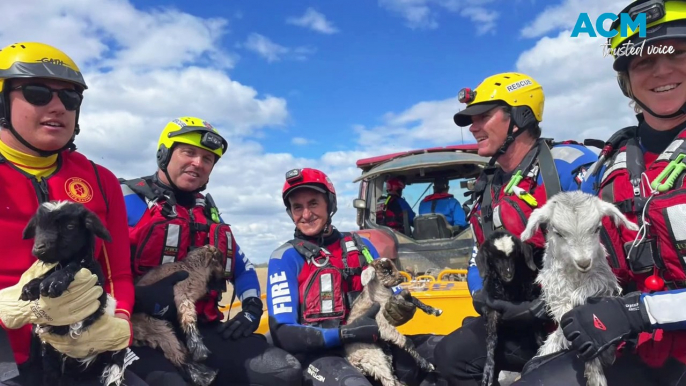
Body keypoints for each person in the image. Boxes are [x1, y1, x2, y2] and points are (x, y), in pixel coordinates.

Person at [514, 1, 686, 384]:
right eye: (641, 62)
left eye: (678, 51)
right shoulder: (608, 167)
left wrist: (637, 313)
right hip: (645, 347)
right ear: (626, 79)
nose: (661, 69)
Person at [432, 72, 598, 385]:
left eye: (484, 116)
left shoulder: (569, 165)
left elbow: (608, 253)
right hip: (518, 319)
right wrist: (481, 294)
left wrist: (543, 308)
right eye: (473, 119)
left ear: (521, 116)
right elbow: (478, 253)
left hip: (576, 319)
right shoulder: (489, 184)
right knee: (451, 355)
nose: (473, 127)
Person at [0, 42, 145, 385]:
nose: (58, 107)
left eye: (70, 98)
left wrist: (117, 322)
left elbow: (117, 274)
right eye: (37, 93)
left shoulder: (100, 179)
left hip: (84, 349)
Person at [120, 117, 301, 386]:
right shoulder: (125, 199)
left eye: (207, 158)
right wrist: (137, 297)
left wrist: (251, 308)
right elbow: (94, 269)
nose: (198, 163)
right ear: (164, 153)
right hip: (138, 332)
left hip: (200, 329)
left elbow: (242, 267)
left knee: (284, 372)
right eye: (189, 152)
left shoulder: (207, 212)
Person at [267, 167, 443, 386]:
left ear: (330, 204)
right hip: (318, 355)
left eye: (313, 203)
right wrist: (346, 334)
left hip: (371, 343)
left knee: (445, 352)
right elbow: (282, 332)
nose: (306, 214)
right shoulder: (284, 258)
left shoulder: (361, 245)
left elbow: (390, 293)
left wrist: (399, 307)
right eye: (297, 207)